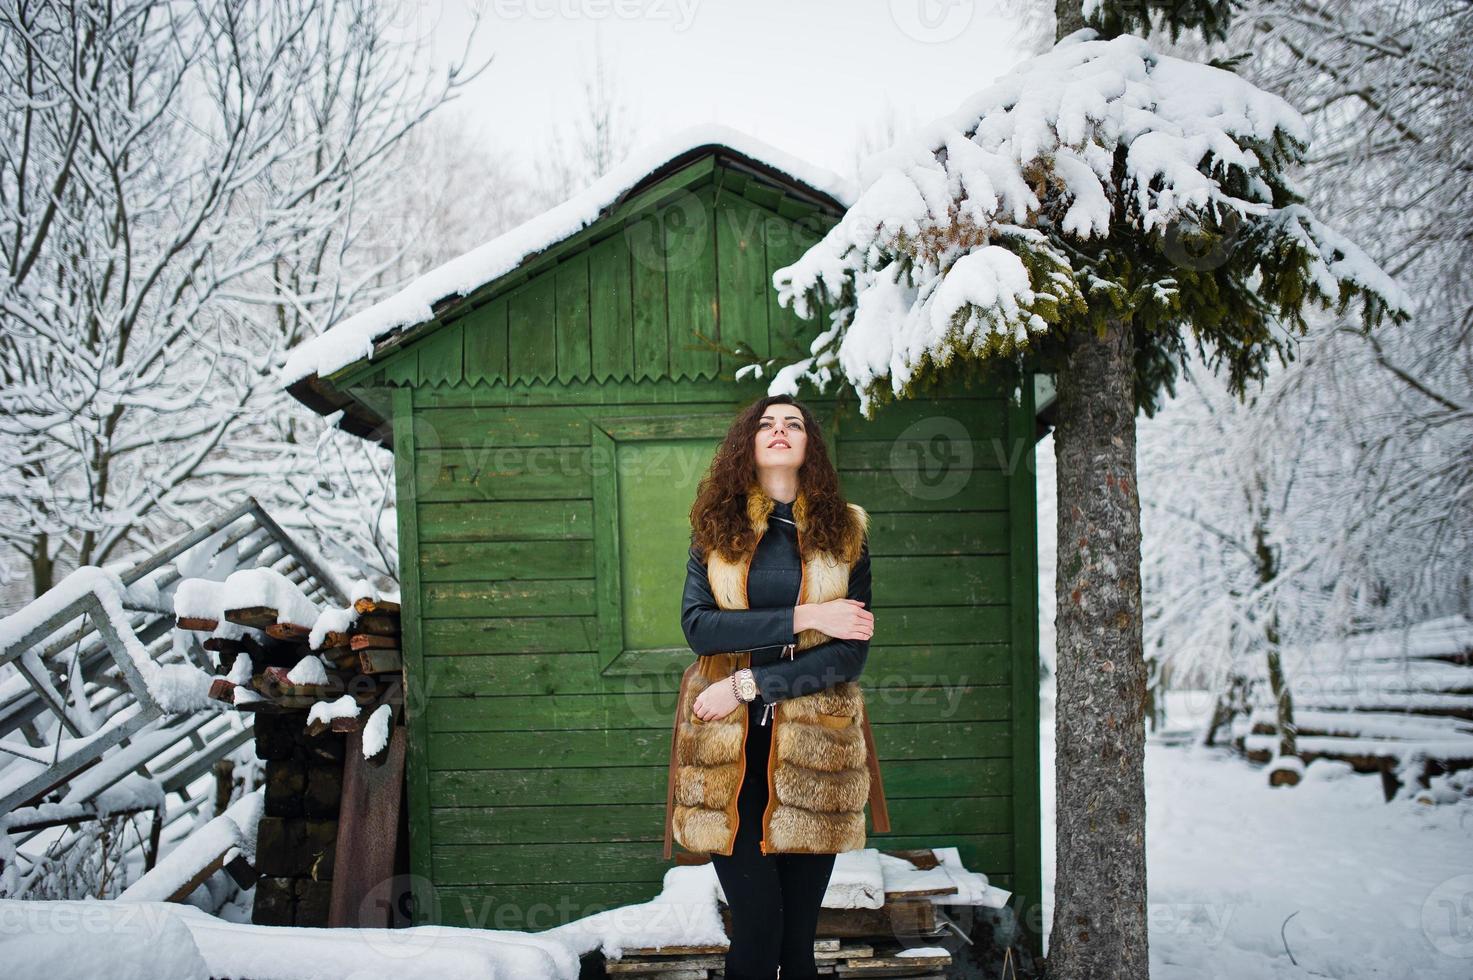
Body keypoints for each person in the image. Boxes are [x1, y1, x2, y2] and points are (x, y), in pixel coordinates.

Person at [667, 393, 883, 980]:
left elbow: (850, 653)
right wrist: (808, 617)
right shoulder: (717, 527)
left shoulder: (846, 533)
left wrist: (751, 682)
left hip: (816, 750)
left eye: (794, 423)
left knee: (796, 944)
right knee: (757, 931)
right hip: (726, 751)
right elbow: (698, 626)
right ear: (749, 444)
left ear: (809, 444)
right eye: (767, 423)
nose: (780, 430)